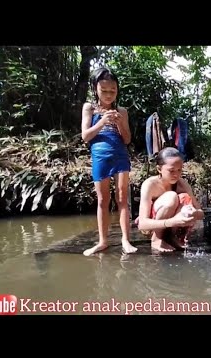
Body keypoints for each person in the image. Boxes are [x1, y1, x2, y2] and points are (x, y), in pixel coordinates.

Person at [81, 67, 137, 257]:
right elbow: (86, 136)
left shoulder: (121, 110)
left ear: (117, 90)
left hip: (120, 156)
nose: (108, 94)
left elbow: (127, 139)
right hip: (100, 157)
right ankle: (103, 241)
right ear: (95, 88)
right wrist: (102, 121)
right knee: (103, 200)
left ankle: (125, 240)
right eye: (104, 90)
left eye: (112, 90)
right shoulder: (89, 108)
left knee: (122, 199)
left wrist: (120, 123)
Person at [136, 147, 204, 252]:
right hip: (153, 225)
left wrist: (193, 213)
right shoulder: (150, 184)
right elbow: (142, 224)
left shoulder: (182, 184)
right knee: (172, 196)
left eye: (179, 170)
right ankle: (157, 239)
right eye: (171, 171)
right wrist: (172, 221)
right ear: (159, 169)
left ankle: (173, 237)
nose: (176, 174)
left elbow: (201, 213)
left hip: (173, 224)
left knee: (185, 198)